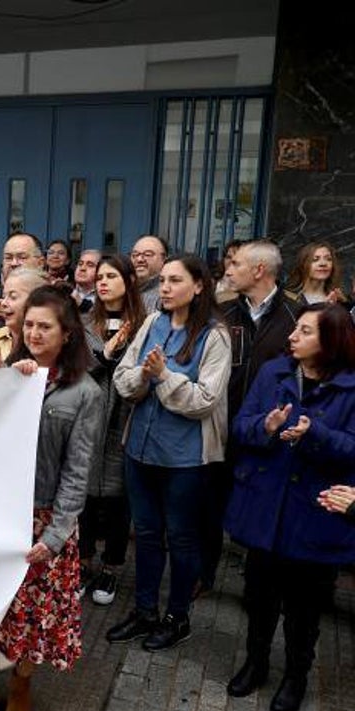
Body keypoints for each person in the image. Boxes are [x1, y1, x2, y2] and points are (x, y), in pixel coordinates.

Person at [0, 288, 102, 711]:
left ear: (67, 334)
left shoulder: (85, 393)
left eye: (44, 326)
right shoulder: (9, 374)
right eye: (28, 324)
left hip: (44, 518)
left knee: (33, 614)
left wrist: (54, 536)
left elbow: (78, 470)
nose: (33, 333)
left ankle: (19, 689)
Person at [224, 303, 355, 711]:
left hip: (314, 515)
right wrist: (265, 427)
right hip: (266, 507)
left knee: (305, 609)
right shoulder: (274, 373)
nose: (292, 336)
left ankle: (296, 676)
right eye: (294, 328)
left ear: (331, 340)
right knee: (259, 597)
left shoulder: (351, 388)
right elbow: (240, 426)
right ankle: (255, 662)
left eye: (305, 331)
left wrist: (316, 434)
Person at [107, 254, 231, 650]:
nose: (164, 288)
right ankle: (145, 612)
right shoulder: (151, 323)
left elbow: (205, 401)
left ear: (198, 287)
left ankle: (177, 617)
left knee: (180, 538)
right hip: (140, 450)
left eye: (175, 280)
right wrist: (144, 375)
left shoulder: (215, 335)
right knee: (145, 534)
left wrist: (162, 376)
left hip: (185, 458)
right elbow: (122, 376)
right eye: (162, 281)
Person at [202, 240, 300, 594]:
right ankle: (203, 575)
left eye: (237, 263)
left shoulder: (295, 315)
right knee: (209, 507)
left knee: (262, 509)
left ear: (259, 270)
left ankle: (257, 586)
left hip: (269, 433)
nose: (228, 269)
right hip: (222, 427)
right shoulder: (222, 311)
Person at [80, 255, 146, 605]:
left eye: (111, 276)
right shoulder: (85, 320)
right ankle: (83, 561)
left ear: (130, 280)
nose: (102, 282)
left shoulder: (145, 324)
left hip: (126, 418)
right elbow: (75, 368)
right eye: (99, 276)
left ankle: (111, 567)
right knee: (85, 497)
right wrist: (104, 354)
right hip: (90, 416)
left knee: (120, 500)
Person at [0, 268, 46, 370]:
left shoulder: (45, 340)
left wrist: (2, 371)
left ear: (37, 301)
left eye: (13, 297)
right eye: (4, 296)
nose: (3, 303)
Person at [0, 232, 45, 335]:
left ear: (40, 263)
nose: (14, 263)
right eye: (8, 258)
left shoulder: (51, 300)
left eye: (22, 257)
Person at [130, 235, 169, 312]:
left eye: (147, 254)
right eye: (135, 255)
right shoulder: (122, 290)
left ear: (164, 260)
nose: (139, 259)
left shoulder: (167, 294)